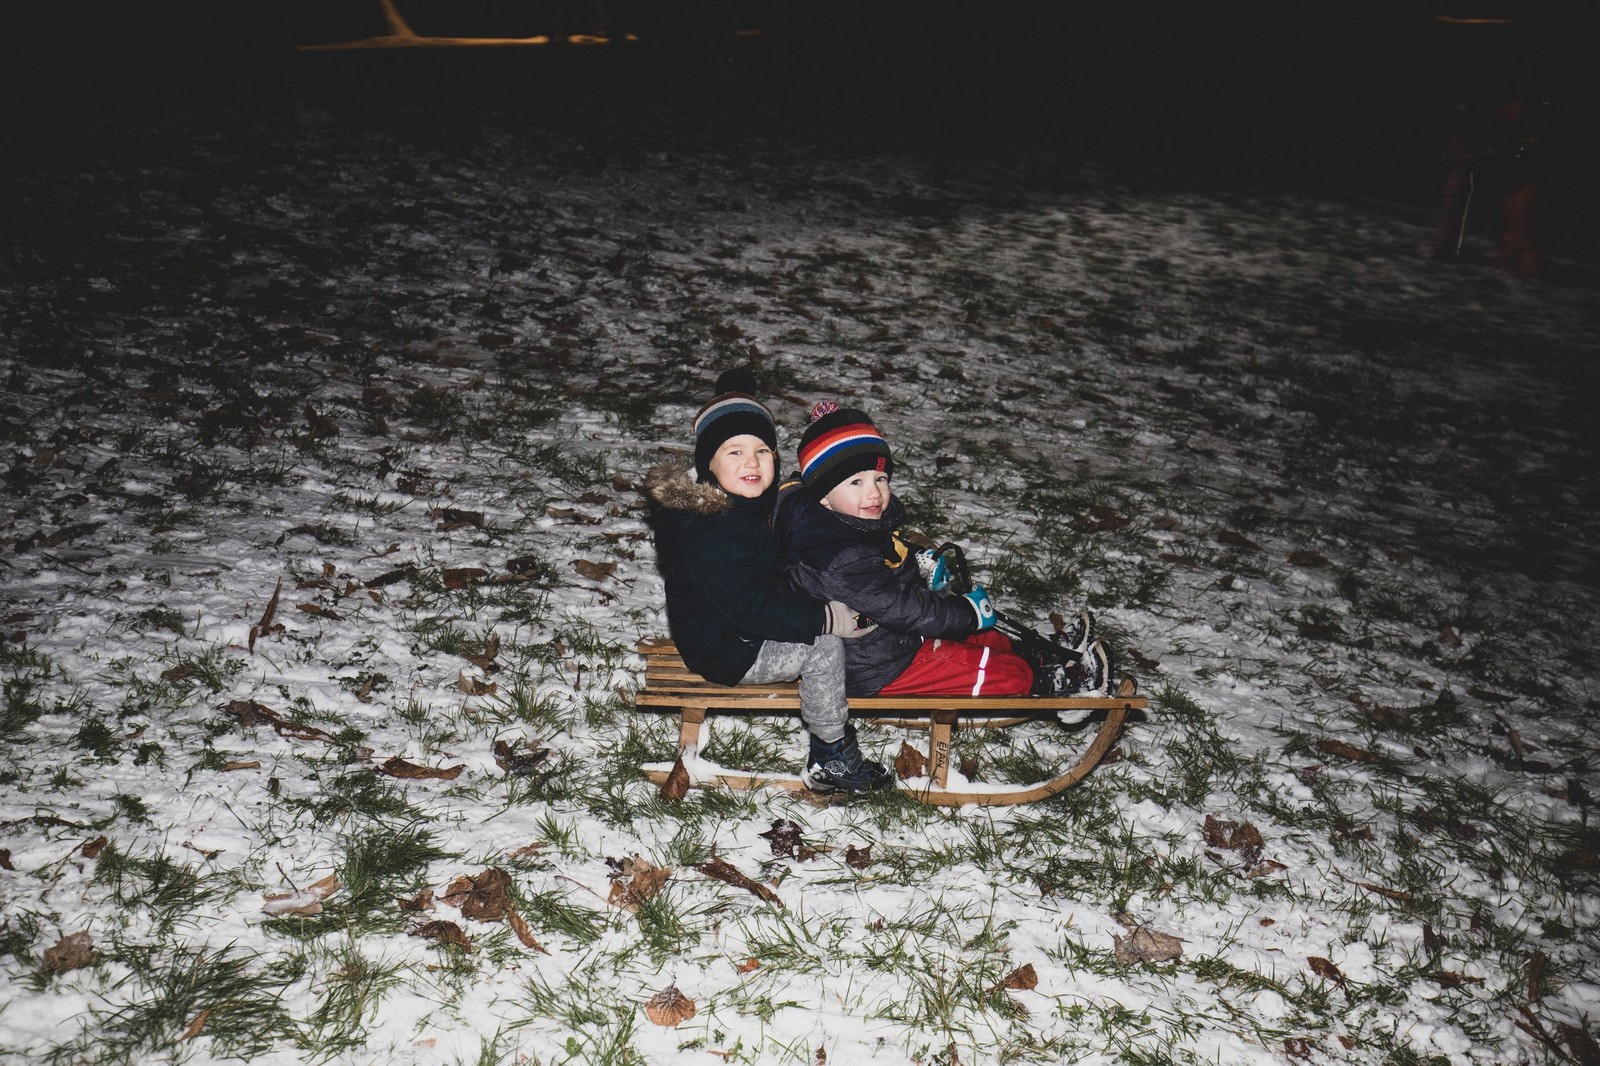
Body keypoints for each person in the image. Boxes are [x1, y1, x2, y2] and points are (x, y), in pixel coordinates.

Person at [644, 370, 892, 794]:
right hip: (727, 648)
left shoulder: (744, 505)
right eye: (735, 452)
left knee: (819, 615)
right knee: (823, 648)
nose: (752, 462)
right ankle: (831, 754)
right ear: (708, 465)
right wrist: (825, 618)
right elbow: (751, 607)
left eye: (763, 450)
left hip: (739, 625)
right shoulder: (711, 532)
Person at [773, 401, 1110, 707]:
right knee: (999, 669)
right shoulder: (834, 555)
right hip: (873, 666)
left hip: (891, 638)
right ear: (824, 495)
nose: (874, 493)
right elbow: (903, 608)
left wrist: (917, 562)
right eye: (856, 482)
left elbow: (883, 559)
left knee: (982, 633)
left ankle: (1038, 654)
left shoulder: (841, 519)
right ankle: (1050, 684)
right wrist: (966, 613)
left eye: (880, 478)